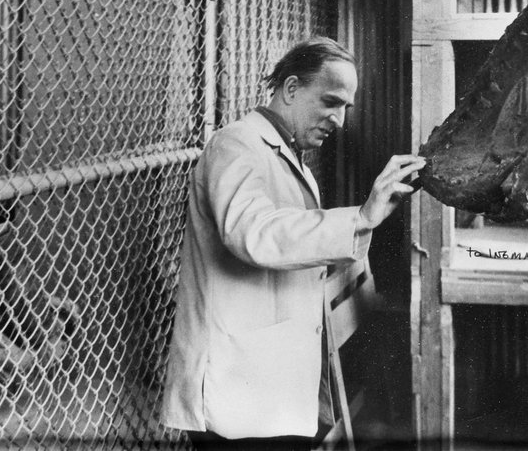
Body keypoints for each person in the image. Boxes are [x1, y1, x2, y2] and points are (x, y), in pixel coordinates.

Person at [160, 36, 424, 448]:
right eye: (330, 102)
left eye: (345, 108)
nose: (339, 119)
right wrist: (359, 217)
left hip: (266, 385)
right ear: (291, 89)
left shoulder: (284, 152)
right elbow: (252, 233)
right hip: (237, 390)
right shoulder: (236, 145)